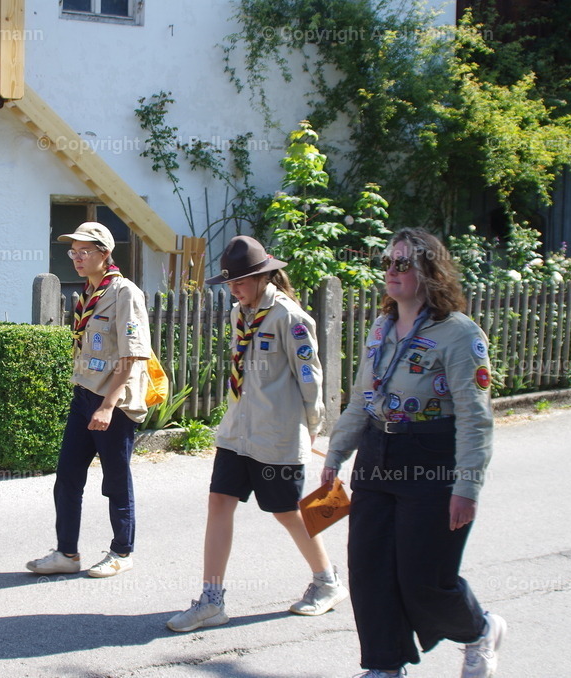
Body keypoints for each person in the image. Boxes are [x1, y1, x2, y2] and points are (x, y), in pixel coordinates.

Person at [322, 228, 505, 678]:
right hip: (377, 454)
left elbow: (475, 417)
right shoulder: (382, 327)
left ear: (431, 270)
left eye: (403, 263)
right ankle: (386, 665)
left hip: (432, 458)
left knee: (425, 579)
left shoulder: (460, 334)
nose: (391, 271)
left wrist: (467, 486)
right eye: (387, 262)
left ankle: (480, 631)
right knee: (368, 570)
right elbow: (363, 397)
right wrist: (335, 456)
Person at [166, 235, 349, 633]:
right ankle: (211, 601)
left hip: (277, 435)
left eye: (242, 281)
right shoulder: (239, 314)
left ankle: (327, 582)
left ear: (265, 276)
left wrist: (311, 429)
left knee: (286, 512)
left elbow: (310, 379)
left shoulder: (290, 317)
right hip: (237, 432)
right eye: (230, 282)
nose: (235, 288)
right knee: (218, 502)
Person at [26, 222, 151, 578]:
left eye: (84, 252)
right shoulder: (88, 293)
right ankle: (67, 553)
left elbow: (132, 355)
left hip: (112, 402)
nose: (77, 258)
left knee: (115, 480)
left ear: (105, 254)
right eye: (73, 252)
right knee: (67, 477)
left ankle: (122, 551)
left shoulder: (124, 293)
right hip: (84, 395)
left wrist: (108, 405)